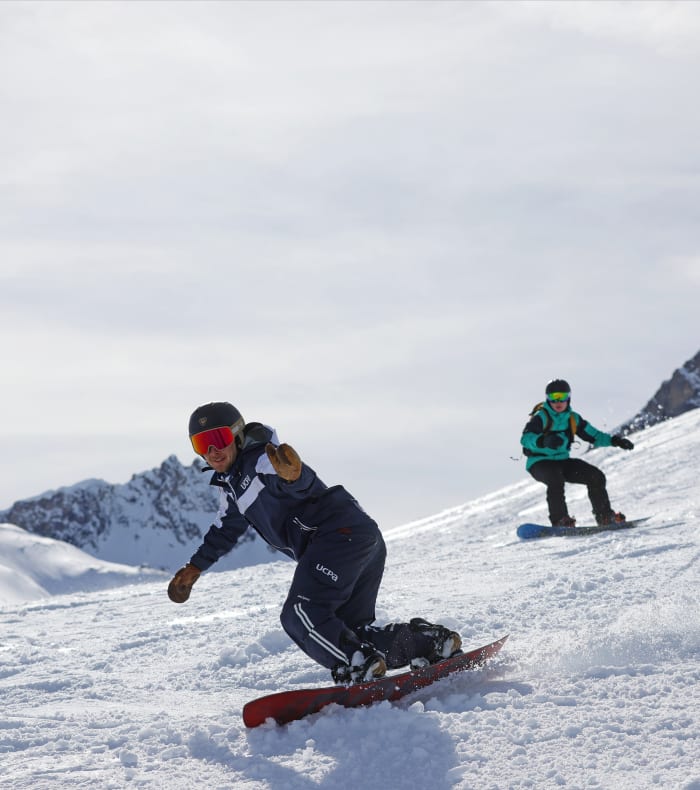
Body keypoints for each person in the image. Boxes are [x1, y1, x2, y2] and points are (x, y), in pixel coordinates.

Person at [168, 402, 461, 684]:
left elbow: (291, 478)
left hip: (336, 537)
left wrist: (295, 477)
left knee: (300, 613)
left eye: (218, 438)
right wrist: (195, 567)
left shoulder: (260, 459)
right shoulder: (231, 488)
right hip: (359, 536)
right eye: (201, 443)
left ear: (237, 434)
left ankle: (356, 664)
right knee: (348, 630)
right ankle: (429, 644)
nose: (212, 451)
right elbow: (224, 530)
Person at [520, 379, 634, 527]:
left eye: (562, 396)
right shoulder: (541, 418)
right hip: (539, 462)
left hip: (562, 461)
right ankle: (560, 520)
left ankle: (605, 517)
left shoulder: (573, 419)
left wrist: (615, 441)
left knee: (595, 476)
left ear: (569, 398)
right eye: (554, 397)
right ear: (548, 399)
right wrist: (543, 441)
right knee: (555, 479)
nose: (558, 401)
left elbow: (595, 436)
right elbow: (525, 439)